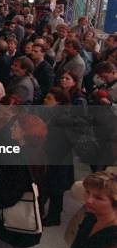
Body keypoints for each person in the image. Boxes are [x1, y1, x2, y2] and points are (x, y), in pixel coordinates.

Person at [0, 113, 47, 248]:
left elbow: (11, 190)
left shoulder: (16, 156)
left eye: (16, 126)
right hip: (27, 216)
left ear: (25, 132)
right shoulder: (38, 153)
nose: (12, 128)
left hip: (12, 215)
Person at [60, 171, 117, 248]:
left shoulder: (113, 237)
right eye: (87, 192)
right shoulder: (90, 216)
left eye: (98, 198)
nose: (89, 200)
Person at [42, 87, 75, 227]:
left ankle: (53, 217)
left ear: (59, 102)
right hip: (55, 158)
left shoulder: (62, 118)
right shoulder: (54, 115)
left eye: (49, 98)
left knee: (54, 188)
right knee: (54, 189)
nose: (45, 100)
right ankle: (51, 215)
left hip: (57, 159)